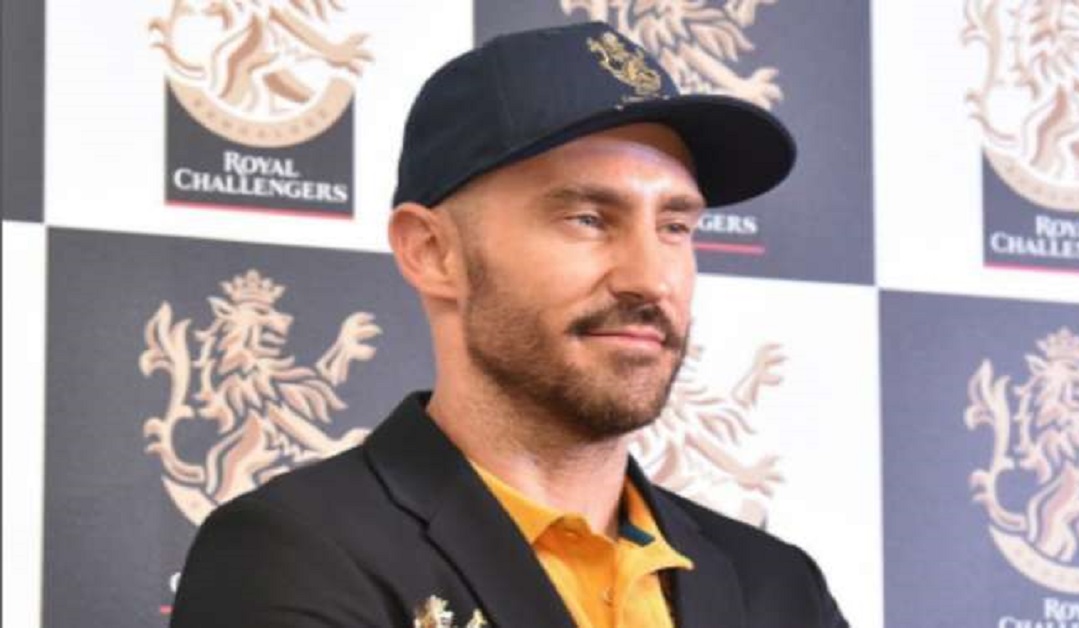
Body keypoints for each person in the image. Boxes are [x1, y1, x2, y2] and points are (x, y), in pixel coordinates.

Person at [171, 21, 848, 628]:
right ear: (432, 251)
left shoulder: (776, 585)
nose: (651, 278)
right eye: (588, 219)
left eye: (674, 226)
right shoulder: (293, 555)